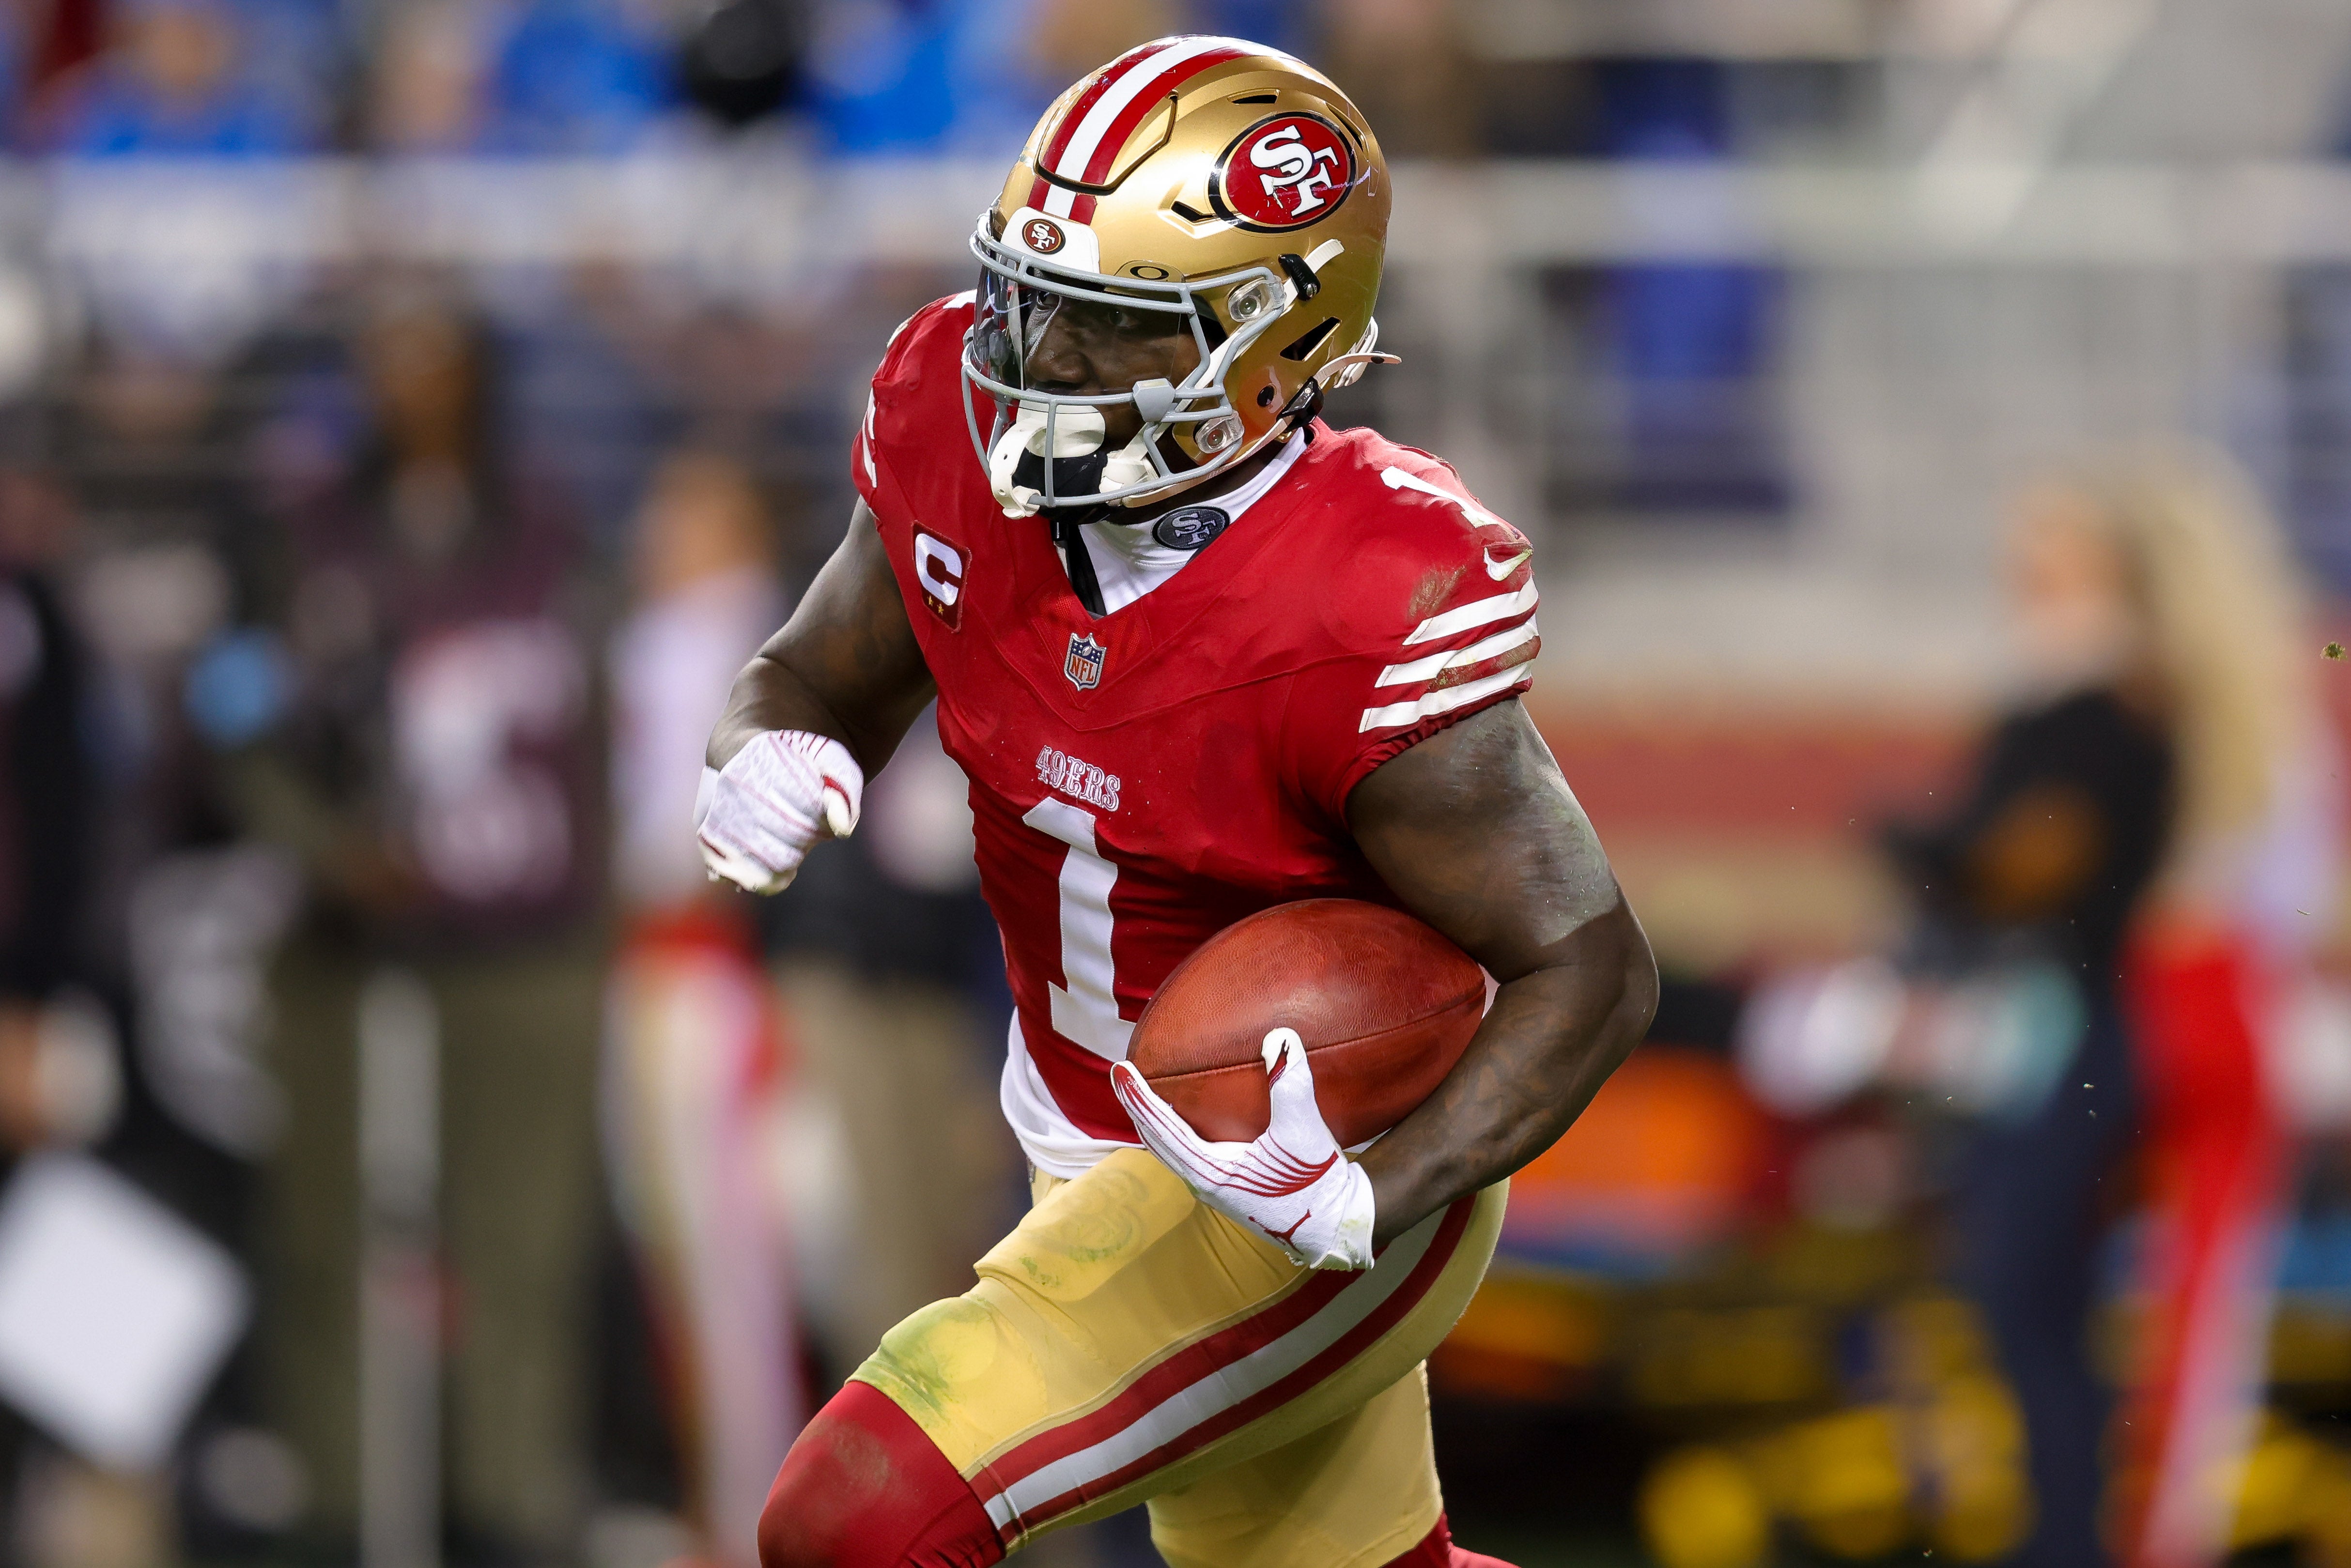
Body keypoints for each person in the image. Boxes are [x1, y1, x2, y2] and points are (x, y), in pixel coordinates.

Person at [697, 37, 1657, 1568]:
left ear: (1272, 344)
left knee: (857, 1521)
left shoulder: (1361, 591)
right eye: (1031, 296)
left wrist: (1370, 1194)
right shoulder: (957, 421)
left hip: (1298, 1193)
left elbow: (1592, 968)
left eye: (1106, 325)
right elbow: (817, 671)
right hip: (1078, 1133)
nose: (1038, 357)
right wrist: (773, 743)